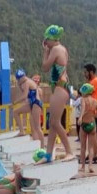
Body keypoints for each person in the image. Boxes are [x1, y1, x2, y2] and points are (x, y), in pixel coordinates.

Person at [42, 25, 73, 159]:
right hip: (61, 87)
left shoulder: (55, 49)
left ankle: (69, 152)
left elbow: (45, 67)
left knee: (54, 122)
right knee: (53, 123)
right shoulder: (62, 49)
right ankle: (48, 154)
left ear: (51, 39)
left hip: (60, 87)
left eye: (46, 40)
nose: (45, 42)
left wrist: (45, 52)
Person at [13, 69, 44, 143]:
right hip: (31, 104)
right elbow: (25, 95)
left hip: (36, 104)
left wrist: (14, 102)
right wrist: (19, 86)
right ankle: (22, 131)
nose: (19, 81)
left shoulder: (27, 82)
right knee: (15, 112)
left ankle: (42, 147)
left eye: (19, 80)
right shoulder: (25, 83)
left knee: (37, 128)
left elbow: (24, 96)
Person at [78, 83, 97, 173]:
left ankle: (83, 166)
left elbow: (83, 108)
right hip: (92, 124)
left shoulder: (83, 99)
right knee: (91, 147)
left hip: (84, 123)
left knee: (83, 147)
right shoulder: (96, 101)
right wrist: (92, 115)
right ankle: (90, 165)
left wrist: (80, 117)